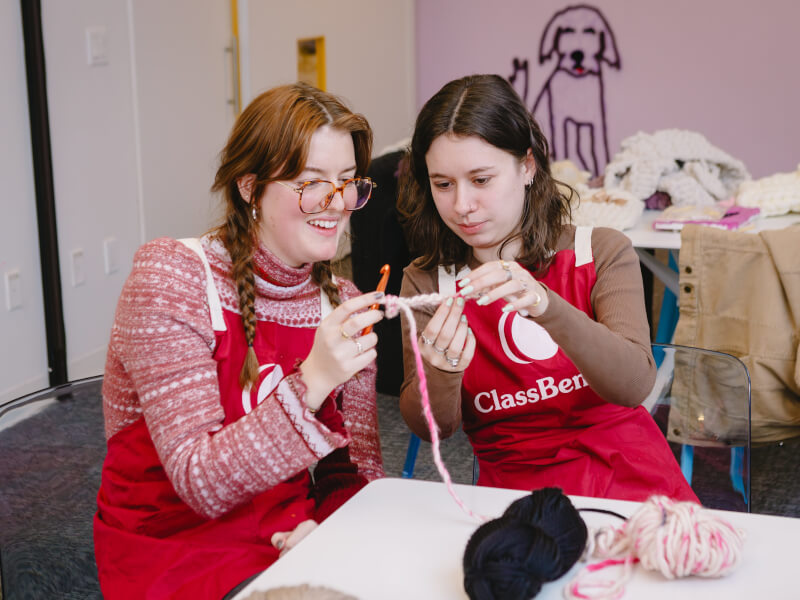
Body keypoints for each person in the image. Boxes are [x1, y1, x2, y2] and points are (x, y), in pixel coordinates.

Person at [94, 83, 385, 599]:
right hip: (173, 551)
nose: (337, 204)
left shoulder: (342, 300)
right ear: (250, 188)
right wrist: (314, 379)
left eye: (347, 182)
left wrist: (336, 538)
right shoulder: (174, 277)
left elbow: (353, 472)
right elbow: (197, 482)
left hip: (289, 533)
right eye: (311, 183)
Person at [397, 74, 696, 503]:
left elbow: (634, 386)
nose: (461, 205)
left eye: (481, 180)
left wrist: (547, 306)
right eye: (443, 184)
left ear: (528, 166)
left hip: (629, 478)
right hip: (516, 495)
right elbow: (433, 431)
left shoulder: (600, 251)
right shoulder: (428, 281)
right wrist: (440, 372)